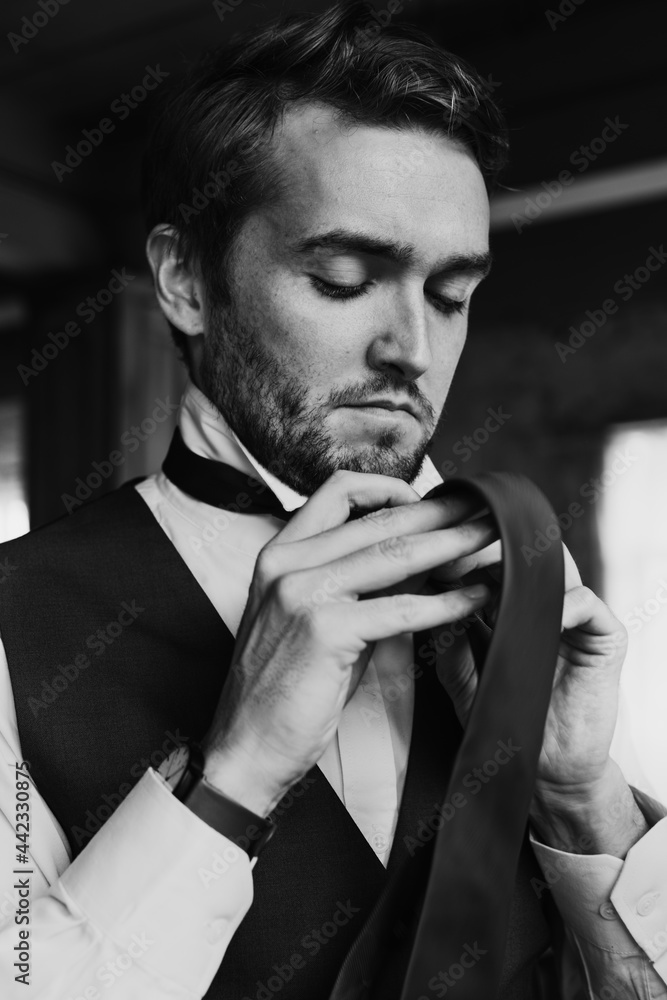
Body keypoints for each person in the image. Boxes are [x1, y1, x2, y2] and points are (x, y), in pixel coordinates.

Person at [1, 3, 666, 997]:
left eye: (449, 296)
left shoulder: (513, 584)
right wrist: (232, 778)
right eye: (344, 278)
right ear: (185, 281)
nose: (412, 348)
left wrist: (580, 795)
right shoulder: (17, 627)